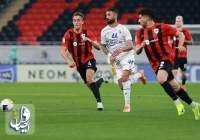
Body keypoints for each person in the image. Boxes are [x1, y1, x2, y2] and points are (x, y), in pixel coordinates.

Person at [135, 8, 200, 120]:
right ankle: (195, 105)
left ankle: (177, 103)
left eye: (140, 18)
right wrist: (140, 46)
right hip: (154, 64)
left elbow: (180, 34)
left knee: (161, 79)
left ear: (147, 18)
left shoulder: (162, 27)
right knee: (175, 86)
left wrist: (180, 45)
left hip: (166, 58)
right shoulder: (140, 33)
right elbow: (137, 50)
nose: (138, 20)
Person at [100, 8, 147, 112]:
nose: (107, 16)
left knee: (125, 78)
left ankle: (127, 106)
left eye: (109, 14)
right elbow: (102, 46)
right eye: (106, 15)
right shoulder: (104, 31)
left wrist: (120, 50)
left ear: (115, 16)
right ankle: (139, 75)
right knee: (120, 84)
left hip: (127, 56)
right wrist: (109, 55)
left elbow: (131, 45)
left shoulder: (123, 29)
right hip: (116, 59)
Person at [60, 12, 104, 111]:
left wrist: (89, 40)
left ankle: (99, 103)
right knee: (90, 85)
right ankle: (97, 84)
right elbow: (62, 50)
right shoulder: (68, 34)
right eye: (74, 20)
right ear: (72, 22)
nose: (76, 22)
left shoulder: (88, 33)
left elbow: (98, 47)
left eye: (78, 20)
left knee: (89, 79)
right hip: (79, 64)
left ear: (82, 22)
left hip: (89, 59)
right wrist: (68, 61)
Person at [172, 16, 193, 91]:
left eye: (179, 21)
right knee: (174, 72)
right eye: (177, 21)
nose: (178, 22)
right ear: (175, 22)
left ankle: (183, 85)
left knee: (183, 73)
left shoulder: (185, 31)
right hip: (174, 56)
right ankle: (175, 88)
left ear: (182, 22)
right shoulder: (172, 31)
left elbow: (191, 42)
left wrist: (182, 40)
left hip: (183, 56)